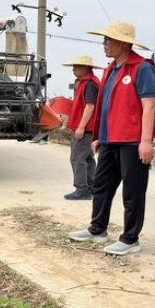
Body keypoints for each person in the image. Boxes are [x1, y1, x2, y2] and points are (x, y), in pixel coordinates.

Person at [68, 21, 155, 256]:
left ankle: (130, 239)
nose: (104, 44)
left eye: (108, 40)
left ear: (123, 43)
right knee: (101, 186)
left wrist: (146, 140)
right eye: (105, 40)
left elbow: (149, 106)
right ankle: (97, 228)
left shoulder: (142, 68)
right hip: (109, 140)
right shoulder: (110, 69)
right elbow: (103, 106)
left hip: (132, 141)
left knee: (132, 191)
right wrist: (99, 136)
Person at [62, 55, 102, 200]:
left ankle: (82, 189)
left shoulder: (89, 84)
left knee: (77, 158)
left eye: (76, 67)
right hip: (90, 128)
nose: (73, 69)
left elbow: (90, 106)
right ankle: (92, 187)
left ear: (85, 68)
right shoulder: (87, 82)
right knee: (88, 158)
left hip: (86, 128)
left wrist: (81, 127)